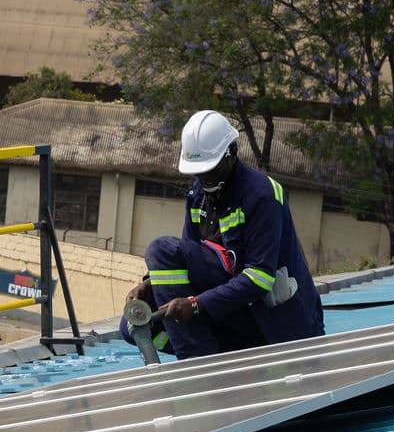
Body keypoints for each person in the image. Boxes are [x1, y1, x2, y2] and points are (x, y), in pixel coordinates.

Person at [121, 109, 324, 359]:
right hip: (237, 315)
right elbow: (188, 261)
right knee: (133, 328)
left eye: (211, 170)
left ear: (232, 153)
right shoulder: (198, 197)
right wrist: (151, 285)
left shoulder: (262, 195)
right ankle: (210, 352)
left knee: (160, 249)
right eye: (198, 172)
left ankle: (196, 363)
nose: (204, 179)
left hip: (280, 326)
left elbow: (260, 278)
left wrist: (196, 305)